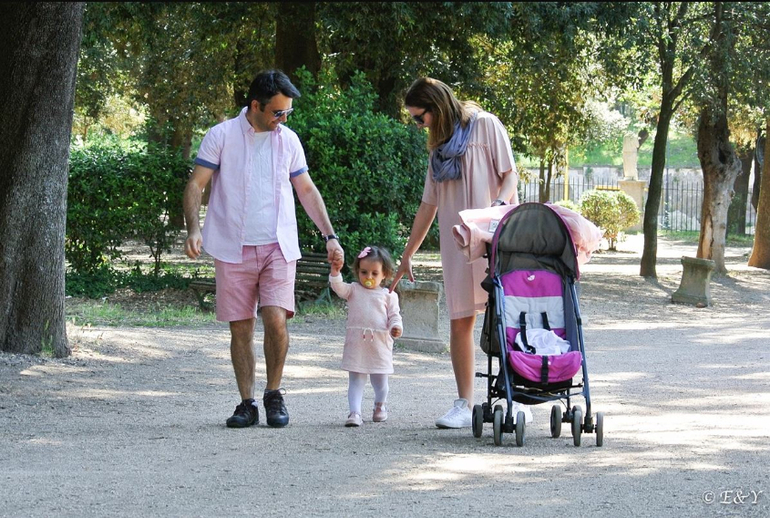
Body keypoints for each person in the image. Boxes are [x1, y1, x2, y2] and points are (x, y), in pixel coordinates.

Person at [183, 69, 344, 429]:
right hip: (232, 247)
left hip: (278, 246)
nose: (283, 119)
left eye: (287, 112)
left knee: (275, 319)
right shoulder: (221, 136)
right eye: (278, 112)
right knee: (241, 329)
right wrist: (194, 228)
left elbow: (306, 190)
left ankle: (274, 394)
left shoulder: (288, 141)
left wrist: (330, 236)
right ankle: (247, 403)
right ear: (255, 106)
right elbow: (196, 184)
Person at [390, 77, 532, 429]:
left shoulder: (486, 125)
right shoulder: (438, 148)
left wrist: (497, 206)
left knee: (508, 317)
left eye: (419, 117)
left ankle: (516, 397)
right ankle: (464, 404)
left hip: (496, 236)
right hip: (458, 244)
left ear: (436, 107)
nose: (418, 124)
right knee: (460, 320)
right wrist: (407, 254)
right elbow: (429, 205)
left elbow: (510, 175)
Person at [329, 246, 403, 427]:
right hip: (357, 344)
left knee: (381, 382)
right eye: (364, 272)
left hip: (380, 345)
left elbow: (394, 315)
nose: (368, 277)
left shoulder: (389, 295)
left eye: (374, 273)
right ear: (357, 271)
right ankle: (355, 412)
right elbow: (338, 287)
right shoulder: (353, 289)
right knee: (356, 380)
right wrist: (335, 272)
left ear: (384, 274)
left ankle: (380, 405)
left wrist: (396, 327)